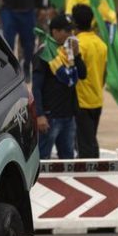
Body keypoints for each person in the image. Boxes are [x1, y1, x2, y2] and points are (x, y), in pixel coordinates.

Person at [33, 14, 86, 160]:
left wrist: (77, 55)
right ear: (55, 31)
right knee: (43, 158)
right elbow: (36, 87)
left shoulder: (68, 52)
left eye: (72, 31)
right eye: (67, 31)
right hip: (50, 117)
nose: (71, 35)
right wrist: (40, 115)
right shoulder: (44, 52)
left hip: (68, 115)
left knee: (68, 158)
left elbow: (82, 74)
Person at [71, 4, 107, 159]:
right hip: (97, 99)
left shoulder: (77, 45)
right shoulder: (101, 44)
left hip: (81, 100)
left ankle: (90, 177)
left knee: (85, 145)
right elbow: (104, 73)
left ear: (75, 23)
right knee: (91, 140)